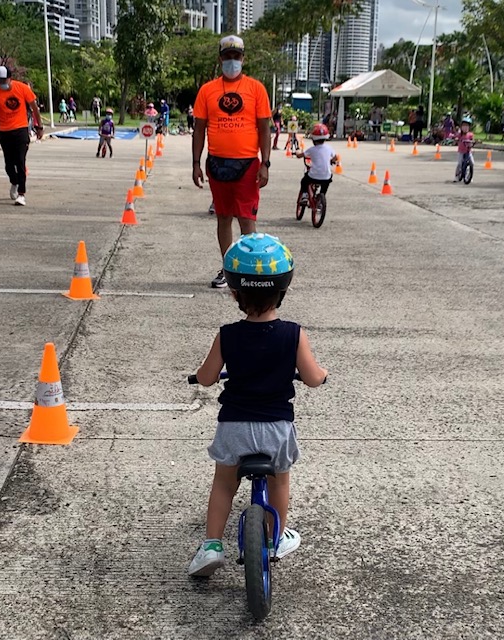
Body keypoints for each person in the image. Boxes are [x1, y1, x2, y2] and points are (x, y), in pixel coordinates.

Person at [187, 232, 328, 577]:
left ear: (234, 292)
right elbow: (311, 377)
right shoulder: (294, 334)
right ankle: (275, 538)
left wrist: (198, 376)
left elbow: (206, 378)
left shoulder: (227, 334)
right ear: (284, 289)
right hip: (276, 429)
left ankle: (211, 546)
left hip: (234, 427)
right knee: (280, 480)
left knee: (224, 482)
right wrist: (322, 374)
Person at [192, 34, 272, 289]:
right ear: (220, 59)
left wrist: (265, 164)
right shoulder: (207, 90)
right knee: (224, 217)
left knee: (247, 219)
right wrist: (196, 163)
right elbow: (199, 129)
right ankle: (229, 269)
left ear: (243, 59)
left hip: (248, 165)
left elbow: (264, 129)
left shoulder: (256, 89)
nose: (232, 61)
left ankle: (250, 270)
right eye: (227, 56)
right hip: (217, 164)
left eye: (236, 56)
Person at [0, 66, 43, 207]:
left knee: (20, 161)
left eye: (3, 80)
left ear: (9, 78)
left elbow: (34, 107)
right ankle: (14, 181)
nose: (1, 84)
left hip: (20, 130)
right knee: (9, 165)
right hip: (5, 132)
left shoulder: (22, 88)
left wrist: (39, 127)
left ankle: (21, 194)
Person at [295, 123, 337, 203]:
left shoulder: (311, 150)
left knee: (304, 181)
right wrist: (331, 160)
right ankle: (322, 197)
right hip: (326, 177)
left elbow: (300, 155)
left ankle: (304, 195)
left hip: (313, 176)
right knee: (327, 181)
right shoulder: (329, 148)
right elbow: (335, 158)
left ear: (313, 139)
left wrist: (297, 152)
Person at [454, 115, 474, 181]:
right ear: (461, 127)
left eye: (467, 126)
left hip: (468, 151)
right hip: (461, 151)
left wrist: (473, 142)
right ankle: (457, 176)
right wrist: (456, 139)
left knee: (472, 162)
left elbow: (472, 140)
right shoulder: (460, 134)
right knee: (459, 163)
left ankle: (469, 176)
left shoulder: (470, 134)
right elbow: (457, 138)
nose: (465, 128)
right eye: (464, 126)